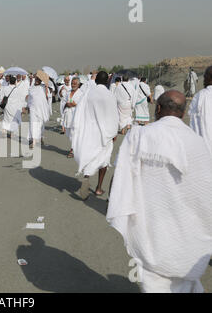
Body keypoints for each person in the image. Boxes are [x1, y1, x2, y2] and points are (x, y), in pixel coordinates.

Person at [107, 90, 212, 293]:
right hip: (188, 236)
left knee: (155, 283)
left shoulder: (140, 136)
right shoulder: (198, 144)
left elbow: (121, 177)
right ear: (183, 114)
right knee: (185, 283)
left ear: (158, 109)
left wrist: (117, 204)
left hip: (151, 231)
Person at [71, 71, 119, 199]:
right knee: (104, 159)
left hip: (89, 132)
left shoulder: (88, 93)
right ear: (107, 81)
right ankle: (98, 188)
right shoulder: (110, 95)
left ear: (96, 80)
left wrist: (77, 128)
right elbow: (114, 116)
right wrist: (114, 132)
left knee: (90, 155)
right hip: (105, 133)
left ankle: (86, 177)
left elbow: (79, 111)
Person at [189, 66, 212, 151]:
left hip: (204, 147)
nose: (204, 80)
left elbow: (193, 119)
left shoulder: (201, 96)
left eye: (205, 77)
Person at [61, 77, 84, 158]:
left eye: (75, 83)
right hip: (68, 115)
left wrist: (76, 104)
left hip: (76, 116)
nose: (73, 85)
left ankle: (72, 150)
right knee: (69, 134)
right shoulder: (68, 92)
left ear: (78, 84)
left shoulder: (81, 93)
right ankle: (76, 148)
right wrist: (67, 104)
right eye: (72, 83)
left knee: (74, 134)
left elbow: (83, 105)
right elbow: (63, 101)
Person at [27, 71, 51, 148]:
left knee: (40, 125)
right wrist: (27, 107)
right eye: (36, 79)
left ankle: (40, 137)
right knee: (33, 124)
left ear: (41, 80)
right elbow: (29, 99)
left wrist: (47, 87)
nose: (37, 80)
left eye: (39, 79)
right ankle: (33, 141)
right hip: (33, 109)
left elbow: (47, 97)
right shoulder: (31, 88)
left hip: (41, 110)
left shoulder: (43, 87)